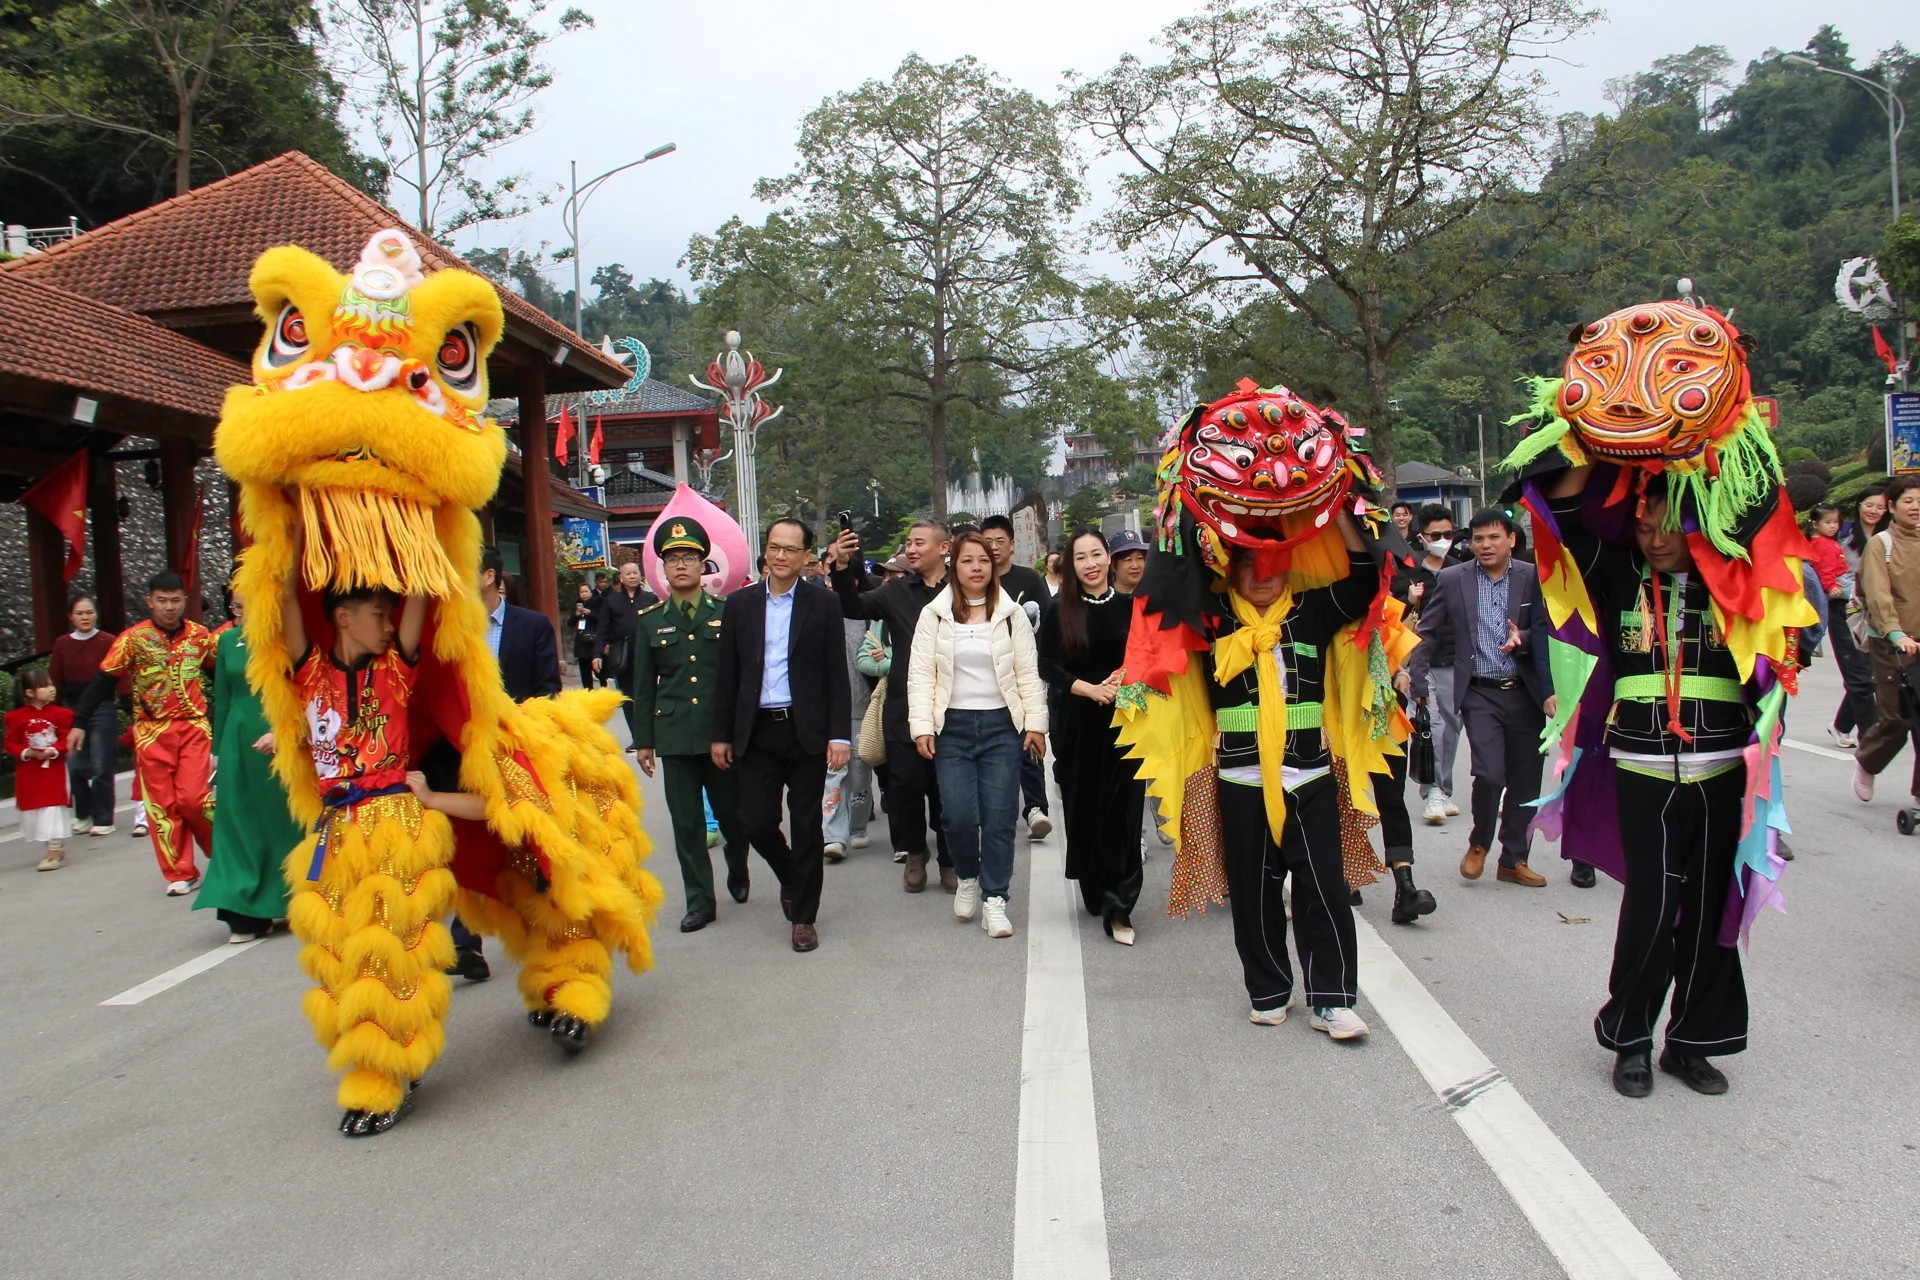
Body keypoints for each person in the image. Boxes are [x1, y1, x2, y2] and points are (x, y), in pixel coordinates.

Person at [1544, 467, 1763, 1097]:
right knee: (1652, 904)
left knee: (1708, 907)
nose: (1656, 539)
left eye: (1669, 526)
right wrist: (1601, 443)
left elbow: (1761, 506)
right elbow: (1561, 518)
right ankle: (1631, 1038)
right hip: (1640, 764)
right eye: (1645, 527)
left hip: (1723, 765)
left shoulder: (1735, 575)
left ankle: (1691, 1042)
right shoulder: (1615, 571)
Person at [1212, 528, 1378, 1035]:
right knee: (1253, 888)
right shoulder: (1211, 618)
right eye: (1249, 564)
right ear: (1231, 570)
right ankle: (1268, 989)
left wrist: (1340, 507)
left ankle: (1331, 998)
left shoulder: (1312, 610)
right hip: (1241, 777)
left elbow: (1365, 581)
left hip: (1308, 772)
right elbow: (1166, 588)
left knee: (1324, 886)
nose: (1263, 576)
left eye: (1273, 562)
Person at [712, 518, 852, 953]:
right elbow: (728, 675)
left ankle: (804, 917)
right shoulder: (739, 605)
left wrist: (840, 736)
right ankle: (792, 875)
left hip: (806, 731)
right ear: (765, 550)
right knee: (755, 821)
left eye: (791, 549)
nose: (781, 556)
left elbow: (835, 673)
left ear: (806, 555)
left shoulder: (823, 604)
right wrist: (721, 734)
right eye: (775, 547)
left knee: (807, 824)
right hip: (756, 732)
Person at [1407, 509, 1566, 887]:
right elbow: (1426, 633)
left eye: (1493, 537)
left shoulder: (1530, 577)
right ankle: (1480, 842)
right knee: (1490, 772)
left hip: (1524, 692)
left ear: (1511, 539)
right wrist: (1417, 684)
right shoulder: (1452, 578)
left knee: (1527, 779)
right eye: (1478, 539)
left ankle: (1513, 859)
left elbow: (1547, 631)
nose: (1485, 545)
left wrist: (1523, 641)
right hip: (1479, 692)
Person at [907, 531, 1049, 940]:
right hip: (951, 729)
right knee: (958, 816)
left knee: (1001, 817)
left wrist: (1036, 724)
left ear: (993, 566)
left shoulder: (1011, 615)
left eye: (983, 561)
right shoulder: (934, 615)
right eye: (968, 560)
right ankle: (967, 875)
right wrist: (921, 727)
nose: (976, 568)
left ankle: (995, 900)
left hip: (1002, 728)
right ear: (955, 565)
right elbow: (920, 676)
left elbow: (1027, 671)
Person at [442, 547, 566, 980]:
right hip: (463, 755)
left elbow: (548, 688)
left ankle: (546, 932)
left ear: (489, 576)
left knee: (522, 842)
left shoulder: (530, 626)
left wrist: (518, 729)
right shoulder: (450, 631)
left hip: (519, 751)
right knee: (470, 841)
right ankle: (466, 939)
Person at [631, 516, 750, 933]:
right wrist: (643, 740)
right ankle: (700, 900)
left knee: (734, 818)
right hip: (676, 735)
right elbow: (643, 685)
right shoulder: (650, 620)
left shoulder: (727, 612)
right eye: (673, 559)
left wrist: (740, 731)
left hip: (721, 737)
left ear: (704, 566)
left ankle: (738, 865)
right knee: (687, 825)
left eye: (689, 558)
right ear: (663, 569)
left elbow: (739, 678)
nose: (681, 565)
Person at [825, 519, 957, 893]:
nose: (910, 549)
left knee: (948, 791)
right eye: (908, 543)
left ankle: (949, 859)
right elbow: (852, 605)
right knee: (906, 786)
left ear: (944, 548)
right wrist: (841, 566)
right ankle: (915, 853)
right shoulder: (895, 592)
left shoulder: (962, 590)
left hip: (952, 708)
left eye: (919, 543)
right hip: (903, 709)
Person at [69, 570, 217, 895]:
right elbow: (103, 682)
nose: (169, 607)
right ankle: (181, 872)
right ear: (150, 602)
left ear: (185, 601)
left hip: (193, 728)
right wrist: (79, 723)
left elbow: (222, 676)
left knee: (195, 800)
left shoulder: (201, 637)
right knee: (163, 807)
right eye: (162, 600)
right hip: (151, 734)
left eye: (175, 600)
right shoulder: (132, 639)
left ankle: (221, 856)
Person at [1037, 529, 1145, 943]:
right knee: (1086, 809)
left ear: (1109, 559)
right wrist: (1090, 688)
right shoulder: (1058, 610)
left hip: (1129, 722)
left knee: (1124, 812)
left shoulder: (1132, 607)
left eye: (1097, 554)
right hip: (1078, 725)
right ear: (1071, 564)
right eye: (1081, 557)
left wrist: (1126, 678)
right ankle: (1097, 885)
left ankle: (1121, 907)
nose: (1090, 563)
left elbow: (1148, 658)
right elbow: (1047, 664)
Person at [194, 590, 301, 942]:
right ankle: (244, 910)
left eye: (248, 604)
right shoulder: (226, 641)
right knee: (237, 822)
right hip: (238, 741)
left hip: (278, 738)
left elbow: (301, 690)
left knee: (281, 821)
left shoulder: (286, 638)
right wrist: (217, 750)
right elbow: (222, 699)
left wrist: (284, 731)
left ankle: (288, 900)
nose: (240, 612)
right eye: (236, 606)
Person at [980, 513, 1054, 840]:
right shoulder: (973, 581)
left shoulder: (1029, 580)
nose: (994, 548)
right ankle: (997, 812)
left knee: (1029, 737)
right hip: (984, 676)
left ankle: (1036, 808)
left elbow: (1051, 623)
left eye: (1000, 541)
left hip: (1024, 674)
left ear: (1012, 544)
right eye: (988, 542)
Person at [1852, 475, 1920, 805]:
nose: (1916, 507)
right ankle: (1868, 760)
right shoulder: (1882, 544)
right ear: (1891, 507)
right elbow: (1878, 595)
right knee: (1897, 719)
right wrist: (1895, 633)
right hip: (1892, 643)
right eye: (1908, 500)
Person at [1397, 507, 1464, 824]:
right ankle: (1433, 790)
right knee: (1431, 724)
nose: (1442, 541)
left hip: (1454, 658)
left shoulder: (1462, 571)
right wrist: (1409, 599)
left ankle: (1444, 789)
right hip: (1420, 659)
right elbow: (1389, 616)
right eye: (1435, 535)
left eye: (1448, 535)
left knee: (1450, 726)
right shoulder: (1407, 572)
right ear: (1421, 536)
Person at [49, 596, 121, 838]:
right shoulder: (62, 644)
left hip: (102, 707)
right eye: (80, 613)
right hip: (71, 708)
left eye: (89, 612)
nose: (85, 617)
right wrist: (53, 711)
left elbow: (120, 674)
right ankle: (84, 814)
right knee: (75, 766)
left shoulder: (108, 641)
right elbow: (55, 679)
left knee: (102, 765)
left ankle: (103, 818)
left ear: (96, 614)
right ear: (71, 616)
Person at [1834, 487, 1889, 745]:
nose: (1874, 511)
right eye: (1870, 505)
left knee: (1873, 673)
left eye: (1880, 507)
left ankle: (1840, 724)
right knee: (1859, 675)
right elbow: (1830, 570)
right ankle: (1870, 734)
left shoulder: (1889, 537)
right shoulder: (1841, 533)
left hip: (1876, 612)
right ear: (1859, 505)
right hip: (1845, 611)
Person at [8, 668, 74, 871]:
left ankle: (54, 852)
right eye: (44, 686)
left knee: (53, 808)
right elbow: (10, 743)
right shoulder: (15, 717)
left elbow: (66, 739)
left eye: (51, 684)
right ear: (29, 692)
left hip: (53, 769)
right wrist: (27, 752)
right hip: (30, 772)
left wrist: (53, 750)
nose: (51, 689)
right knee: (38, 810)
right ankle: (53, 847)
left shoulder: (63, 714)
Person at [593, 559, 658, 745]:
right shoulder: (611, 601)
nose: (632, 576)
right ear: (621, 578)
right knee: (628, 697)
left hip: (647, 654)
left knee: (648, 695)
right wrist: (597, 654)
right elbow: (602, 630)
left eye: (635, 572)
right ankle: (636, 738)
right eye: (628, 573)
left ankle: (651, 734)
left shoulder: (650, 599)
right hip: (622, 656)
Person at [571, 582, 601, 688]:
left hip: (594, 642)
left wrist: (590, 613)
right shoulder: (577, 605)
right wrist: (576, 615)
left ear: (590, 592)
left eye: (586, 591)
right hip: (581, 643)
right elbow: (570, 623)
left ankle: (604, 692)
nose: (584, 594)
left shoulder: (598, 602)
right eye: (581, 592)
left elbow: (602, 620)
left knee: (600, 672)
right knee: (585, 673)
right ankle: (588, 693)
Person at [1107, 528, 1149, 594]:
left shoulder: (1154, 596)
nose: (1135, 566)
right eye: (1128, 560)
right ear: (1113, 566)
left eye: (1139, 558)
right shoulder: (1105, 600)